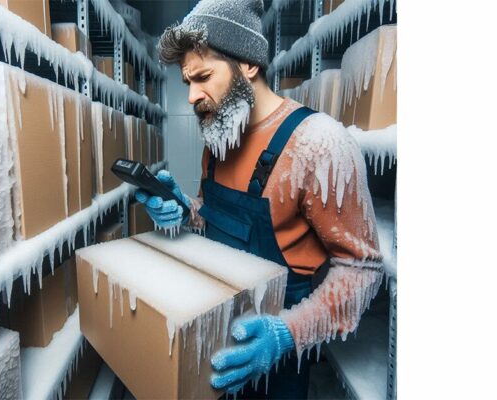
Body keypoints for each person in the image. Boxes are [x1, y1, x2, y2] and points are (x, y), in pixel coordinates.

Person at [135, 0, 385, 398]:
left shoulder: (318, 143)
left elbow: (362, 269)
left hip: (277, 360)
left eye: (202, 77)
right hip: (213, 335)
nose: (191, 96)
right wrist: (182, 209)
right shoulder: (220, 137)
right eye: (187, 83)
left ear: (248, 64)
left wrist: (287, 334)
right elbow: (215, 220)